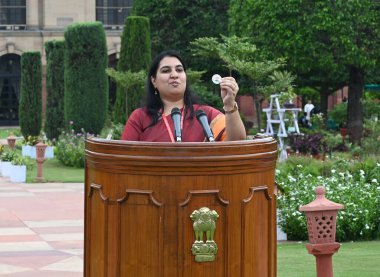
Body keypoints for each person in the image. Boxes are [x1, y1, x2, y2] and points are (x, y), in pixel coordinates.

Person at [121, 50, 246, 142]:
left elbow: (237, 142)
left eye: (179, 70)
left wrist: (229, 104)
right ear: (154, 81)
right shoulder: (140, 117)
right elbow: (124, 156)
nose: (174, 75)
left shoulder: (204, 115)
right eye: (166, 70)